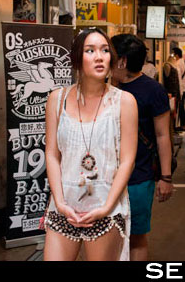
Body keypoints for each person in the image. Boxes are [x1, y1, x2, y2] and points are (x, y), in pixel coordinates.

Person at [43, 28, 138, 261]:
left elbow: (127, 160)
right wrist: (60, 202)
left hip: (105, 206)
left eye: (105, 51)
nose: (99, 56)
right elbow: (52, 155)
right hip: (64, 206)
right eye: (90, 50)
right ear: (77, 58)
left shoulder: (124, 102)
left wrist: (106, 207)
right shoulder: (57, 99)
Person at [110, 33, 174, 261]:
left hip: (139, 179)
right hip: (103, 178)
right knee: (106, 237)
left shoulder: (153, 90)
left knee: (136, 237)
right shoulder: (103, 88)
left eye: (109, 53)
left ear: (122, 61)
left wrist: (165, 178)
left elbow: (163, 135)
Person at [173, 47, 185, 130]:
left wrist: (179, 91)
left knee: (180, 107)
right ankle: (182, 124)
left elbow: (178, 78)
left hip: (180, 89)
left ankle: (181, 124)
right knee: (182, 107)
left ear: (176, 55)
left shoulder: (177, 64)